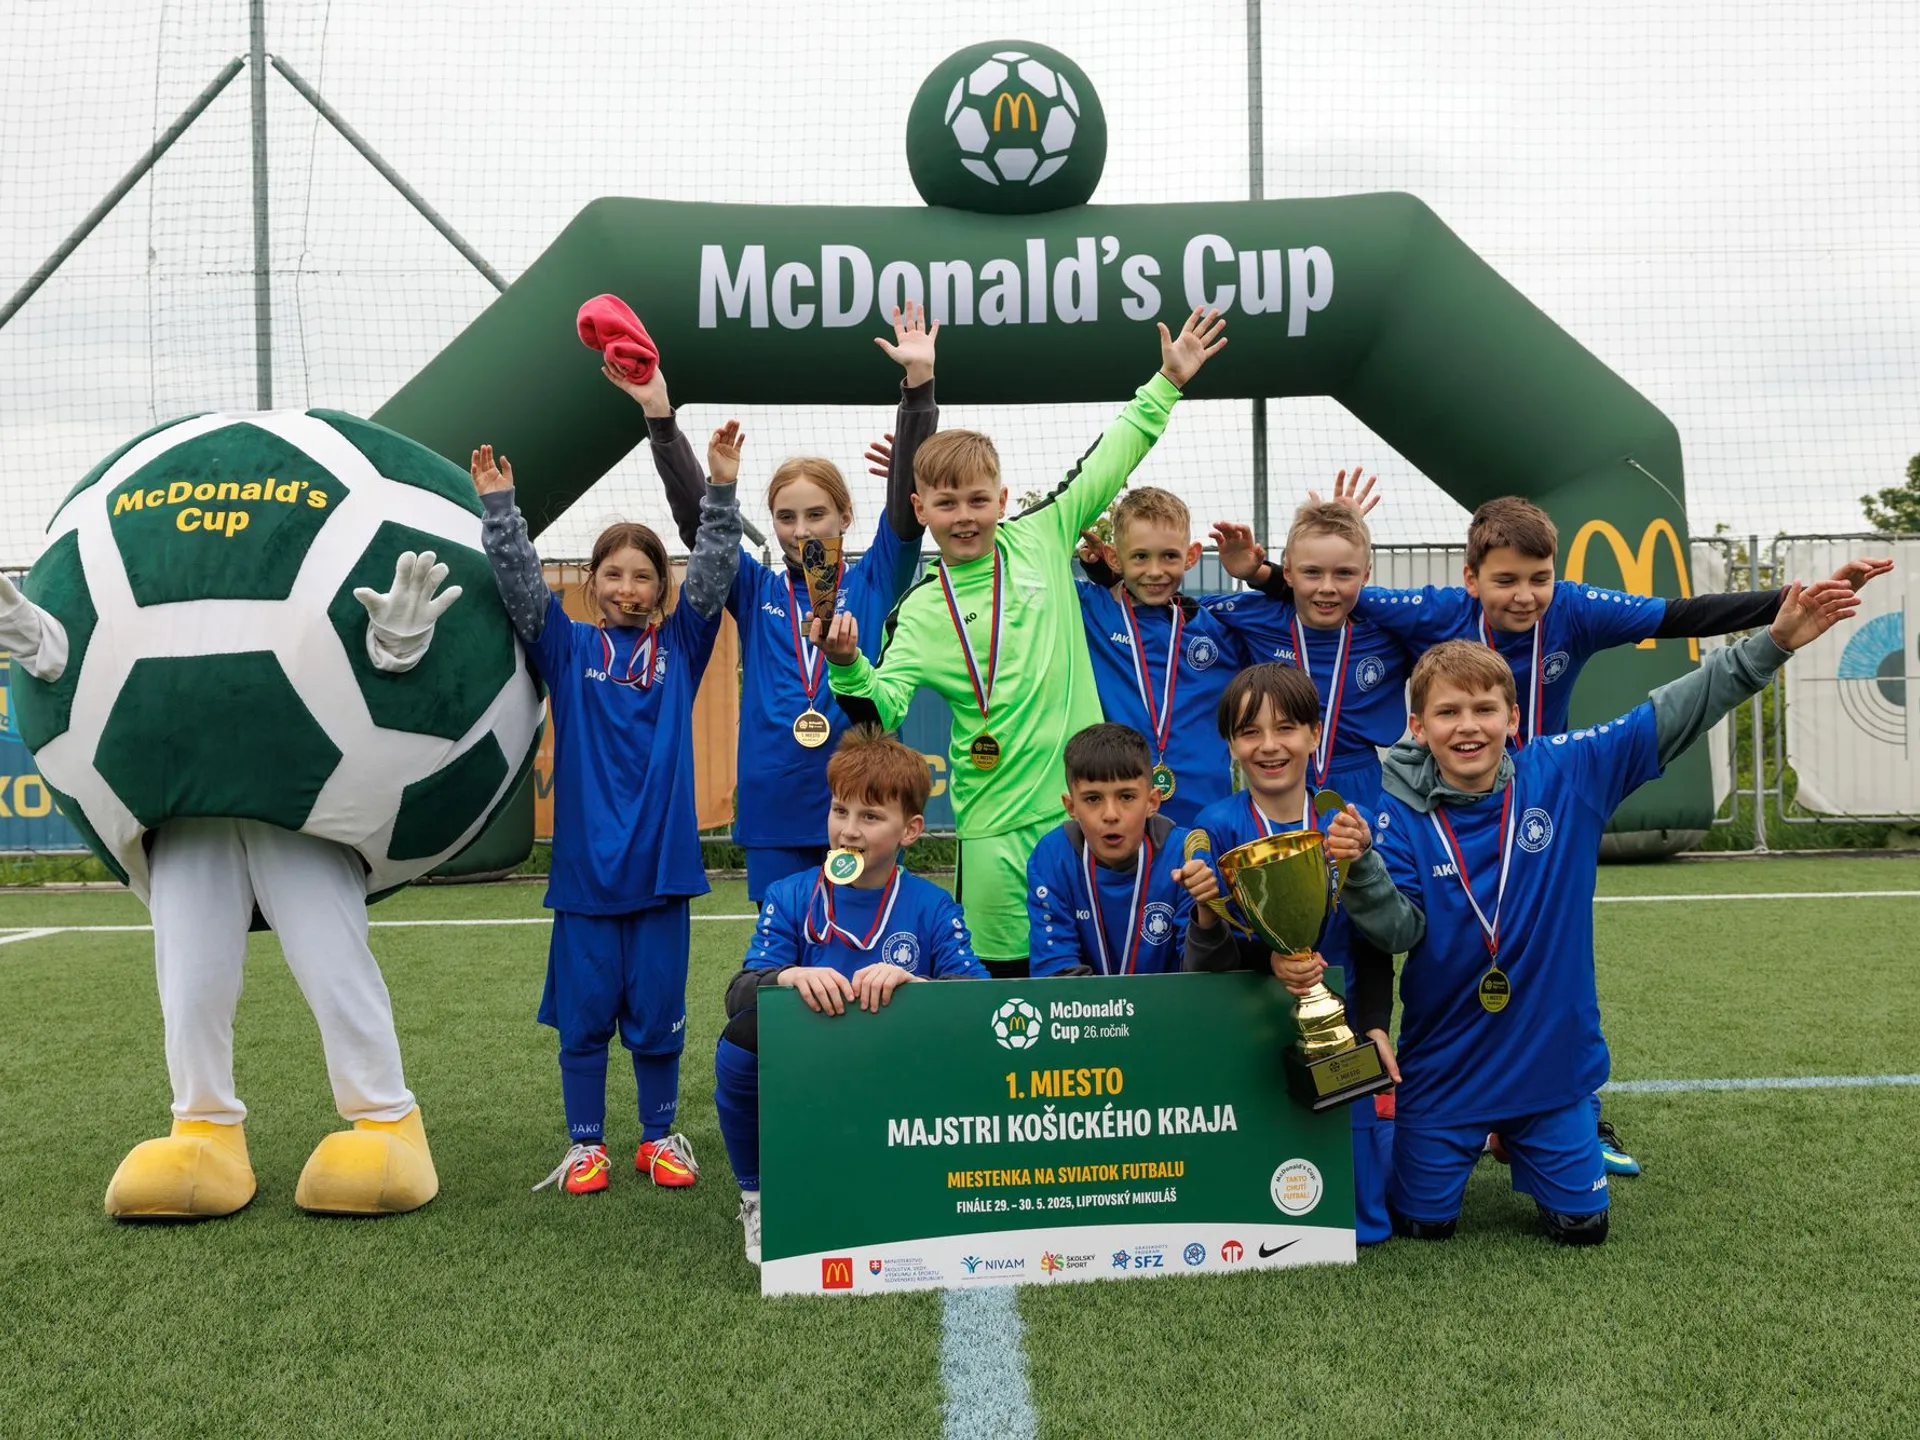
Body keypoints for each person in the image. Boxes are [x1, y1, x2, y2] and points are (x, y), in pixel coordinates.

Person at [1303, 492, 1891, 1175]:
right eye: (1505, 580)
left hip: (1539, 801)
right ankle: (1437, 1106)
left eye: (1538, 579)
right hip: (1446, 803)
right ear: (1471, 579)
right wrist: (1262, 569)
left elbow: (1680, 624)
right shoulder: (1434, 626)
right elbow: (1328, 592)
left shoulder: (1572, 615)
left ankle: (1566, 1111)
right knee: (1443, 956)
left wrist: (1784, 612)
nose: (1525, 597)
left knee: (1552, 963)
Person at [21, 554, 462, 1219]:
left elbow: (336, 645)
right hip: (178, 797)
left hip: (298, 795)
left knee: (333, 962)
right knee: (190, 975)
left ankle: (386, 1119)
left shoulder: (297, 540)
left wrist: (393, 652)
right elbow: (91, 651)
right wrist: (39, 639)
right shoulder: (142, 556)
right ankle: (203, 1129)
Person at [817, 307, 1229, 976]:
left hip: (1083, 815)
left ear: (1003, 499)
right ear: (920, 511)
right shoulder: (919, 611)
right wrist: (846, 666)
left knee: (1105, 974)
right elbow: (879, 713)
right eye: (945, 505)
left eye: (977, 500)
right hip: (989, 832)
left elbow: (1115, 449)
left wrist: (1170, 379)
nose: (964, 517)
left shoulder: (1043, 534)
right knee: (1003, 992)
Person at [472, 432, 743, 1197]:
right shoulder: (566, 646)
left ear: (662, 587)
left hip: (661, 870)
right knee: (587, 1015)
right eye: (614, 574)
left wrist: (719, 494)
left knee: (657, 1015)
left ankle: (658, 1139)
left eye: (644, 576)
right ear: (591, 583)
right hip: (588, 871)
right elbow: (522, 585)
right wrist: (501, 510)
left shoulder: (682, 649)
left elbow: (715, 572)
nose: (629, 587)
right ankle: (585, 1145)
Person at [617, 303, 937, 903]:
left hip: (860, 802)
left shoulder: (874, 578)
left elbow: (906, 507)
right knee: (783, 952)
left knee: (859, 944)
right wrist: (661, 416)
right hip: (773, 800)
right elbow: (702, 532)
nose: (799, 530)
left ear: (845, 515)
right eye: (785, 517)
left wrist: (918, 388)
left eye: (816, 514)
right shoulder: (757, 587)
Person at [713, 728, 986, 1262]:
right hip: (818, 1064)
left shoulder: (932, 905)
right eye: (841, 811)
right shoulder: (790, 894)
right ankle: (758, 1196)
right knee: (741, 1040)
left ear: (910, 830)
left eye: (871, 817)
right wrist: (787, 979)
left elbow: (978, 1000)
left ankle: (929, 1177)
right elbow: (739, 992)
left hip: (901, 1070)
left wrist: (918, 986)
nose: (849, 832)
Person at [1170, 663, 1397, 1244]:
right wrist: (1255, 952)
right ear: (1231, 744)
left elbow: (1373, 941)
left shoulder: (1345, 824)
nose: (1269, 746)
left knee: (1363, 1225)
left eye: (1287, 728)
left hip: (1339, 1033)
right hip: (1251, 1035)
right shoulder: (1214, 829)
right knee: (1251, 1206)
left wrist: (1374, 1025)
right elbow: (1201, 969)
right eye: (1250, 732)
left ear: (1315, 734)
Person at [1207, 481, 1415, 813]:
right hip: (1275, 775)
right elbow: (1172, 610)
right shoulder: (1255, 616)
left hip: (1361, 783)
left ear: (1366, 575)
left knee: (1366, 863)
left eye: (1344, 572)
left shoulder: (1392, 630)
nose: (1327, 588)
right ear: (1287, 572)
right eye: (1312, 572)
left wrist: (1348, 530)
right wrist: (1107, 572)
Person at [1067, 489, 1250, 825]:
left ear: (1192, 555)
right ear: (1113, 557)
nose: (1155, 571)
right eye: (1139, 557)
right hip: (1117, 817)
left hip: (1206, 816)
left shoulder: (1217, 628)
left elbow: (1296, 611)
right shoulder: (1090, 609)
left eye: (1168, 556)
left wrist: (1257, 572)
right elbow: (1023, 573)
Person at [1026, 723, 1196, 976]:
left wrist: (1207, 916)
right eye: (1093, 799)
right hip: (1087, 1014)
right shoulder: (1052, 857)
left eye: (1126, 797)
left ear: (1152, 801)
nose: (1110, 815)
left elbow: (1206, 976)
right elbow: (1056, 974)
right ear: (1071, 807)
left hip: (1172, 1012)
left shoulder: (1185, 855)